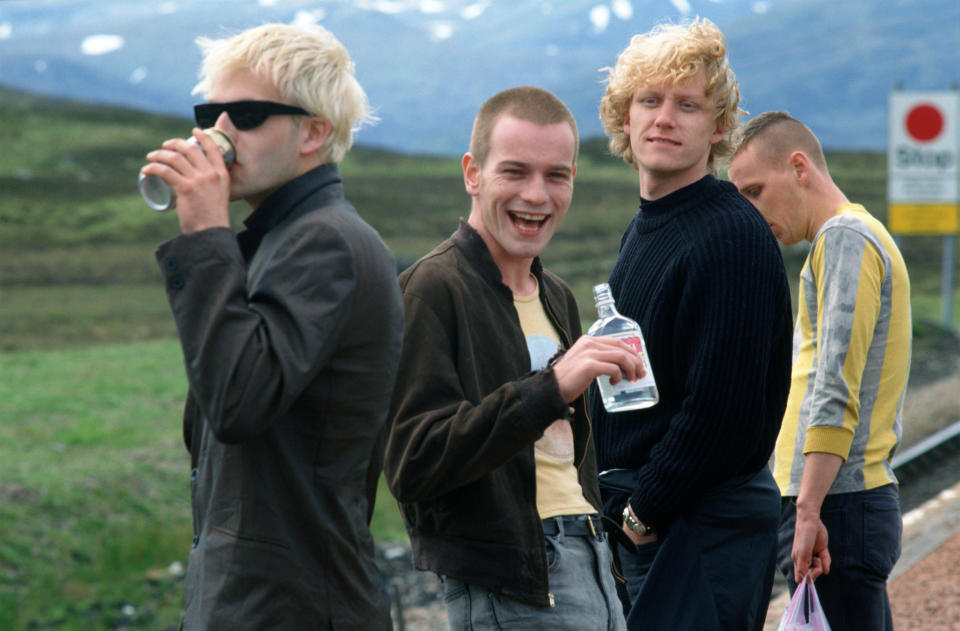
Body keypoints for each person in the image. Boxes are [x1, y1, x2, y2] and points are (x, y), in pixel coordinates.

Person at [141, 23, 401, 630]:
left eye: (249, 114)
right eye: (211, 113)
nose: (219, 133)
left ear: (314, 132)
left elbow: (237, 402)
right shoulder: (282, 239)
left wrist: (205, 233)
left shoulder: (325, 243)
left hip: (294, 604)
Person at [383, 86, 644, 631]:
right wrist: (551, 387)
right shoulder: (430, 288)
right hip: (513, 586)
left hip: (593, 560)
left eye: (556, 175)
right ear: (472, 174)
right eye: (515, 172)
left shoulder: (558, 295)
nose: (536, 195)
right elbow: (412, 463)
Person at [591, 18, 794, 630]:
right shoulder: (651, 224)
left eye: (687, 105)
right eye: (649, 101)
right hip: (665, 518)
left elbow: (721, 412)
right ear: (624, 118)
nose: (664, 118)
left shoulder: (730, 234)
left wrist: (641, 515)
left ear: (720, 127)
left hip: (697, 524)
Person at [729, 110, 911, 630]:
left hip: (837, 505)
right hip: (841, 502)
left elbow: (835, 384)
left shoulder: (845, 238)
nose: (749, 209)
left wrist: (808, 508)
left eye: (755, 191)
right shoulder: (851, 237)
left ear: (799, 168)